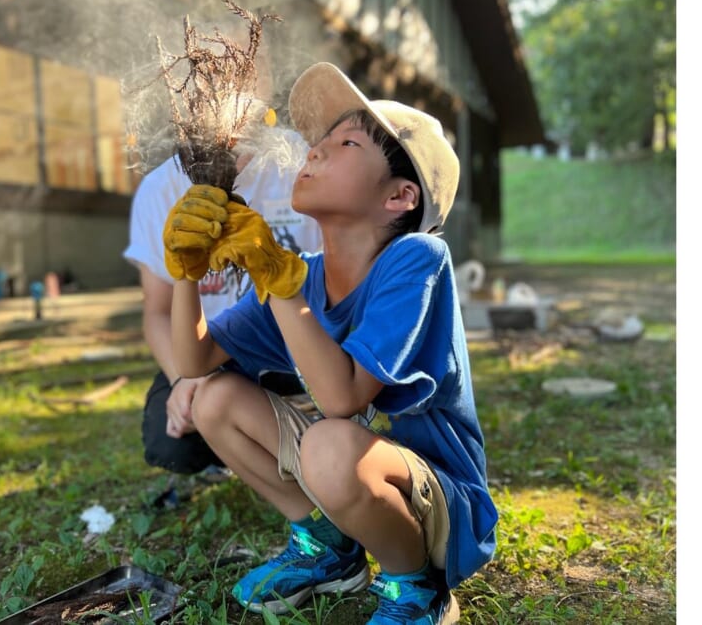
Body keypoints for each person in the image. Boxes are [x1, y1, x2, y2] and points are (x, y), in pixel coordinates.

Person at [164, 62, 497, 624]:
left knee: (330, 441)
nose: (313, 152)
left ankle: (417, 586)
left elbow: (344, 400)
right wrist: (186, 273)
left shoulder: (417, 259)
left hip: (441, 504)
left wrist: (279, 279)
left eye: (345, 142)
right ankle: (328, 551)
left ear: (400, 196)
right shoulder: (301, 275)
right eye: (319, 141)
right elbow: (193, 360)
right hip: (347, 466)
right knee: (213, 398)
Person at [122, 125, 323, 475]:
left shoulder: (302, 161)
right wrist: (183, 378)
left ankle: (294, 430)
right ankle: (254, 443)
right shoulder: (159, 189)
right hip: (210, 354)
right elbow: (157, 312)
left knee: (335, 412)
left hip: (299, 345)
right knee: (173, 444)